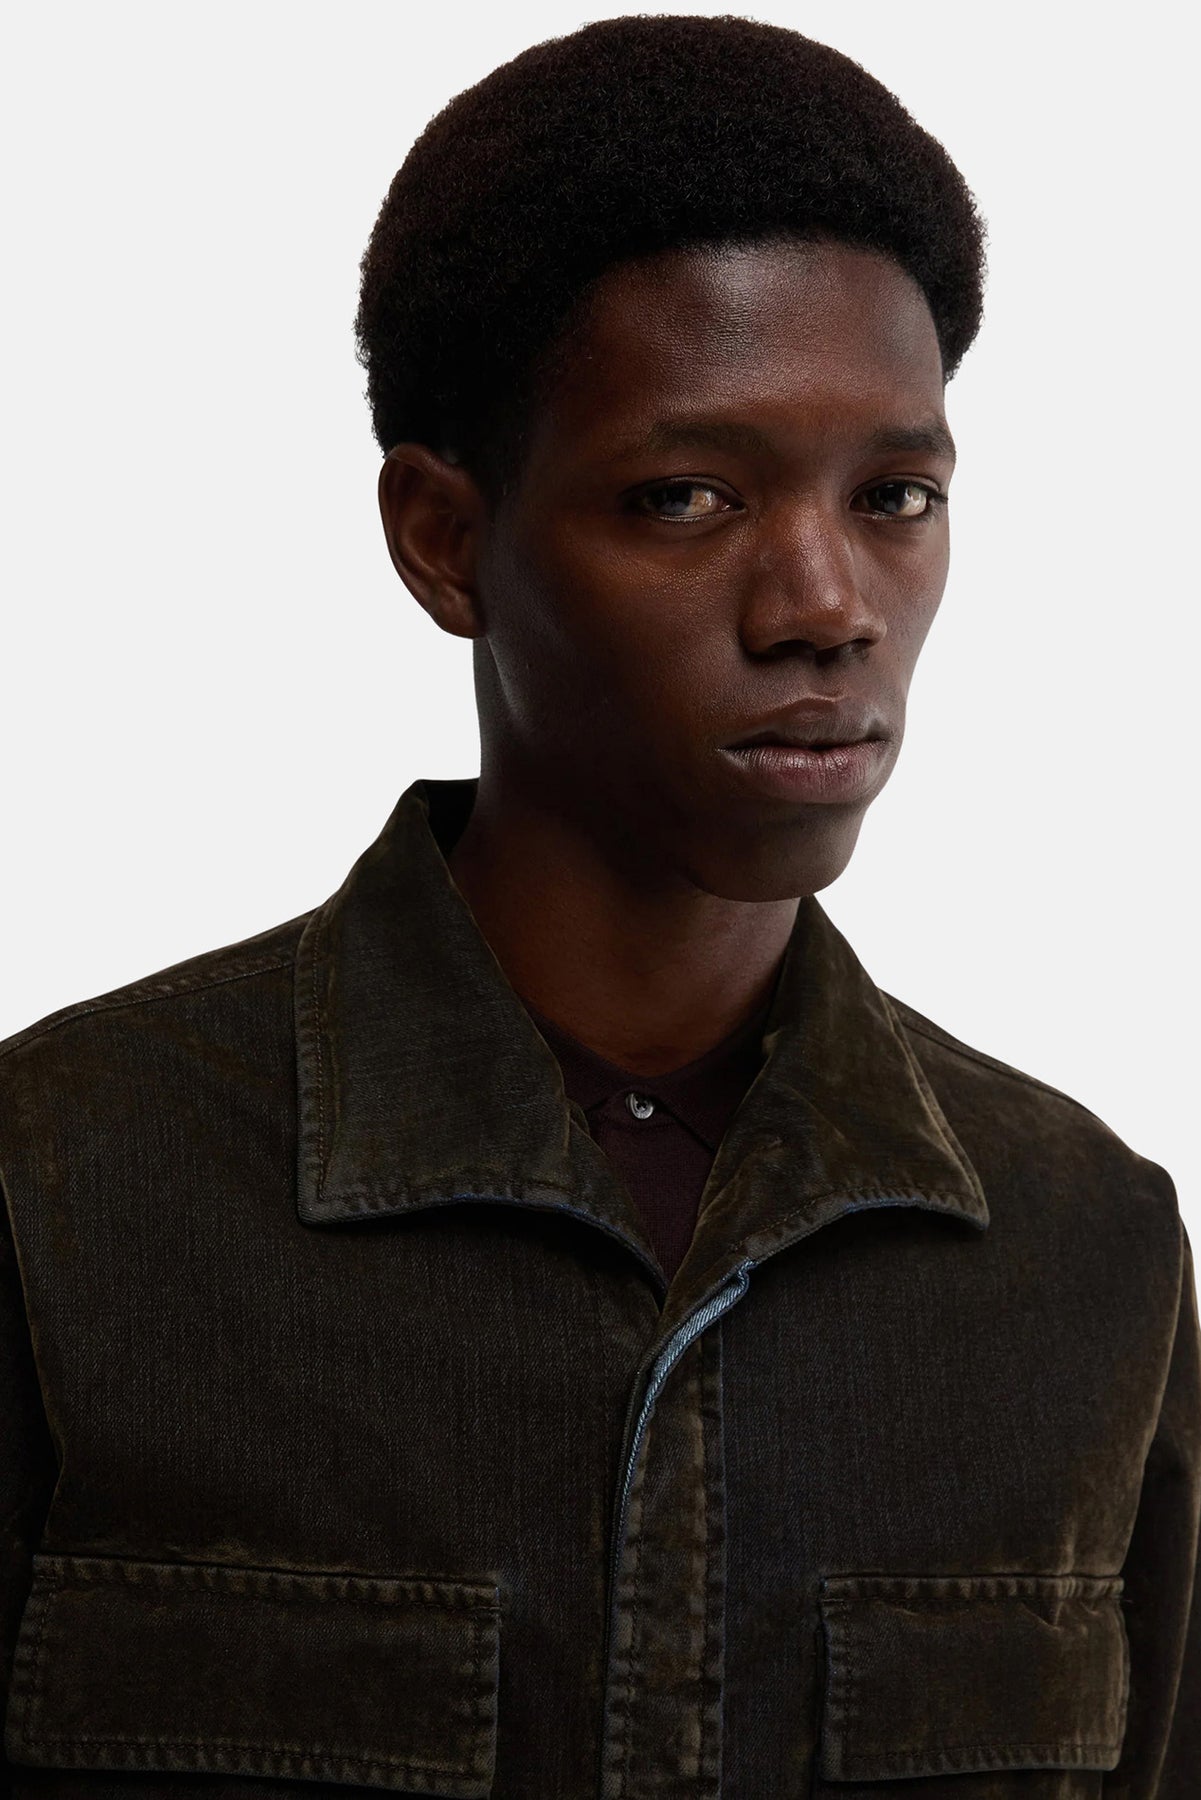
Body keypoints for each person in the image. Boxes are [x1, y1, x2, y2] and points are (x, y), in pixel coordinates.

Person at [1, 14, 1196, 1797]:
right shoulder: (59, 1195)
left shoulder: (1083, 1252)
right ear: (441, 539)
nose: (826, 605)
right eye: (684, 496)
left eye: (895, 496)